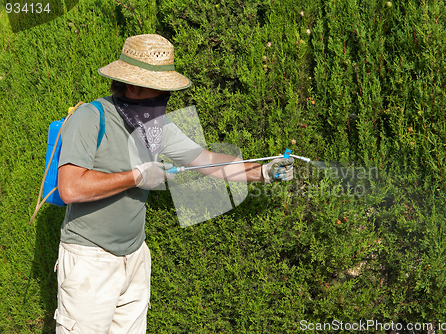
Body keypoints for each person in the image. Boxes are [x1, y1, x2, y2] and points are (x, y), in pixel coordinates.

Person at [53, 34, 294, 333]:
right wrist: (137, 177)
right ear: (131, 85)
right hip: (90, 261)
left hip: (135, 257)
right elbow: (71, 188)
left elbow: (207, 161)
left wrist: (263, 172)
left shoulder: (156, 127)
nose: (163, 98)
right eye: (157, 89)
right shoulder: (92, 117)